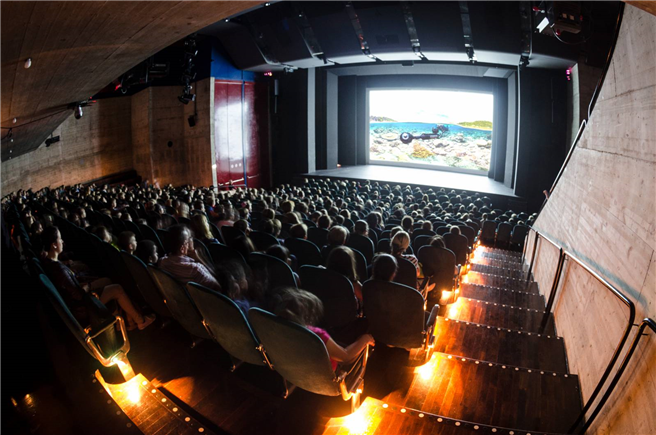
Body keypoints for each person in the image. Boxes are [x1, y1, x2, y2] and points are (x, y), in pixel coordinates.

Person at [41, 226, 155, 330]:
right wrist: (89, 286)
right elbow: (78, 295)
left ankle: (127, 322)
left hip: (79, 300)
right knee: (117, 289)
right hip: (83, 306)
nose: (62, 241)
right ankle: (141, 321)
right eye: (60, 239)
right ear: (54, 245)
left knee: (107, 280)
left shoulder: (51, 262)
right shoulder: (59, 270)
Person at [272, 287, 374, 371]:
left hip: (298, 373)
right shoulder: (316, 335)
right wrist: (365, 339)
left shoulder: (280, 331)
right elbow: (346, 356)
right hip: (327, 377)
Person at [159, 225, 221, 292]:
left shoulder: (162, 262)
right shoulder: (195, 269)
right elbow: (217, 286)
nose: (192, 240)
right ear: (182, 248)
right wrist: (199, 259)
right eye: (190, 238)